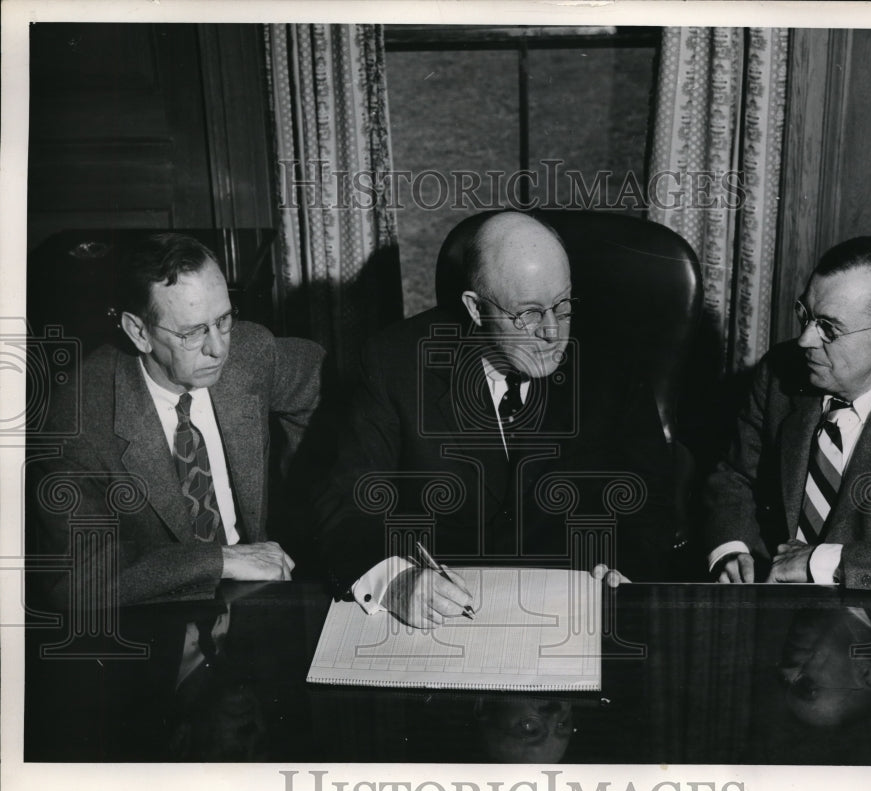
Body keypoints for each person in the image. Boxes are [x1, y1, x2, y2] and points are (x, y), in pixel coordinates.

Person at [307, 211, 679, 628]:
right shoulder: (394, 362)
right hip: (440, 618)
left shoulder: (611, 362)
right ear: (476, 308)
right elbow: (345, 502)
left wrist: (626, 567)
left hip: (576, 612)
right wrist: (397, 582)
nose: (553, 333)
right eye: (529, 314)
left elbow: (651, 496)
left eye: (563, 305)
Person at [30, 233, 325, 609]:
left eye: (223, 320)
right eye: (191, 332)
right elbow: (74, 577)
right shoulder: (76, 416)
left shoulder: (252, 354)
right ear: (139, 332)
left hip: (261, 593)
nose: (218, 348)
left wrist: (308, 495)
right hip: (155, 617)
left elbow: (322, 381)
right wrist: (221, 560)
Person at [704, 236, 871, 597]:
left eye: (829, 329)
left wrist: (819, 562)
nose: (804, 340)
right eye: (805, 315)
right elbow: (736, 476)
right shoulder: (780, 372)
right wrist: (731, 548)